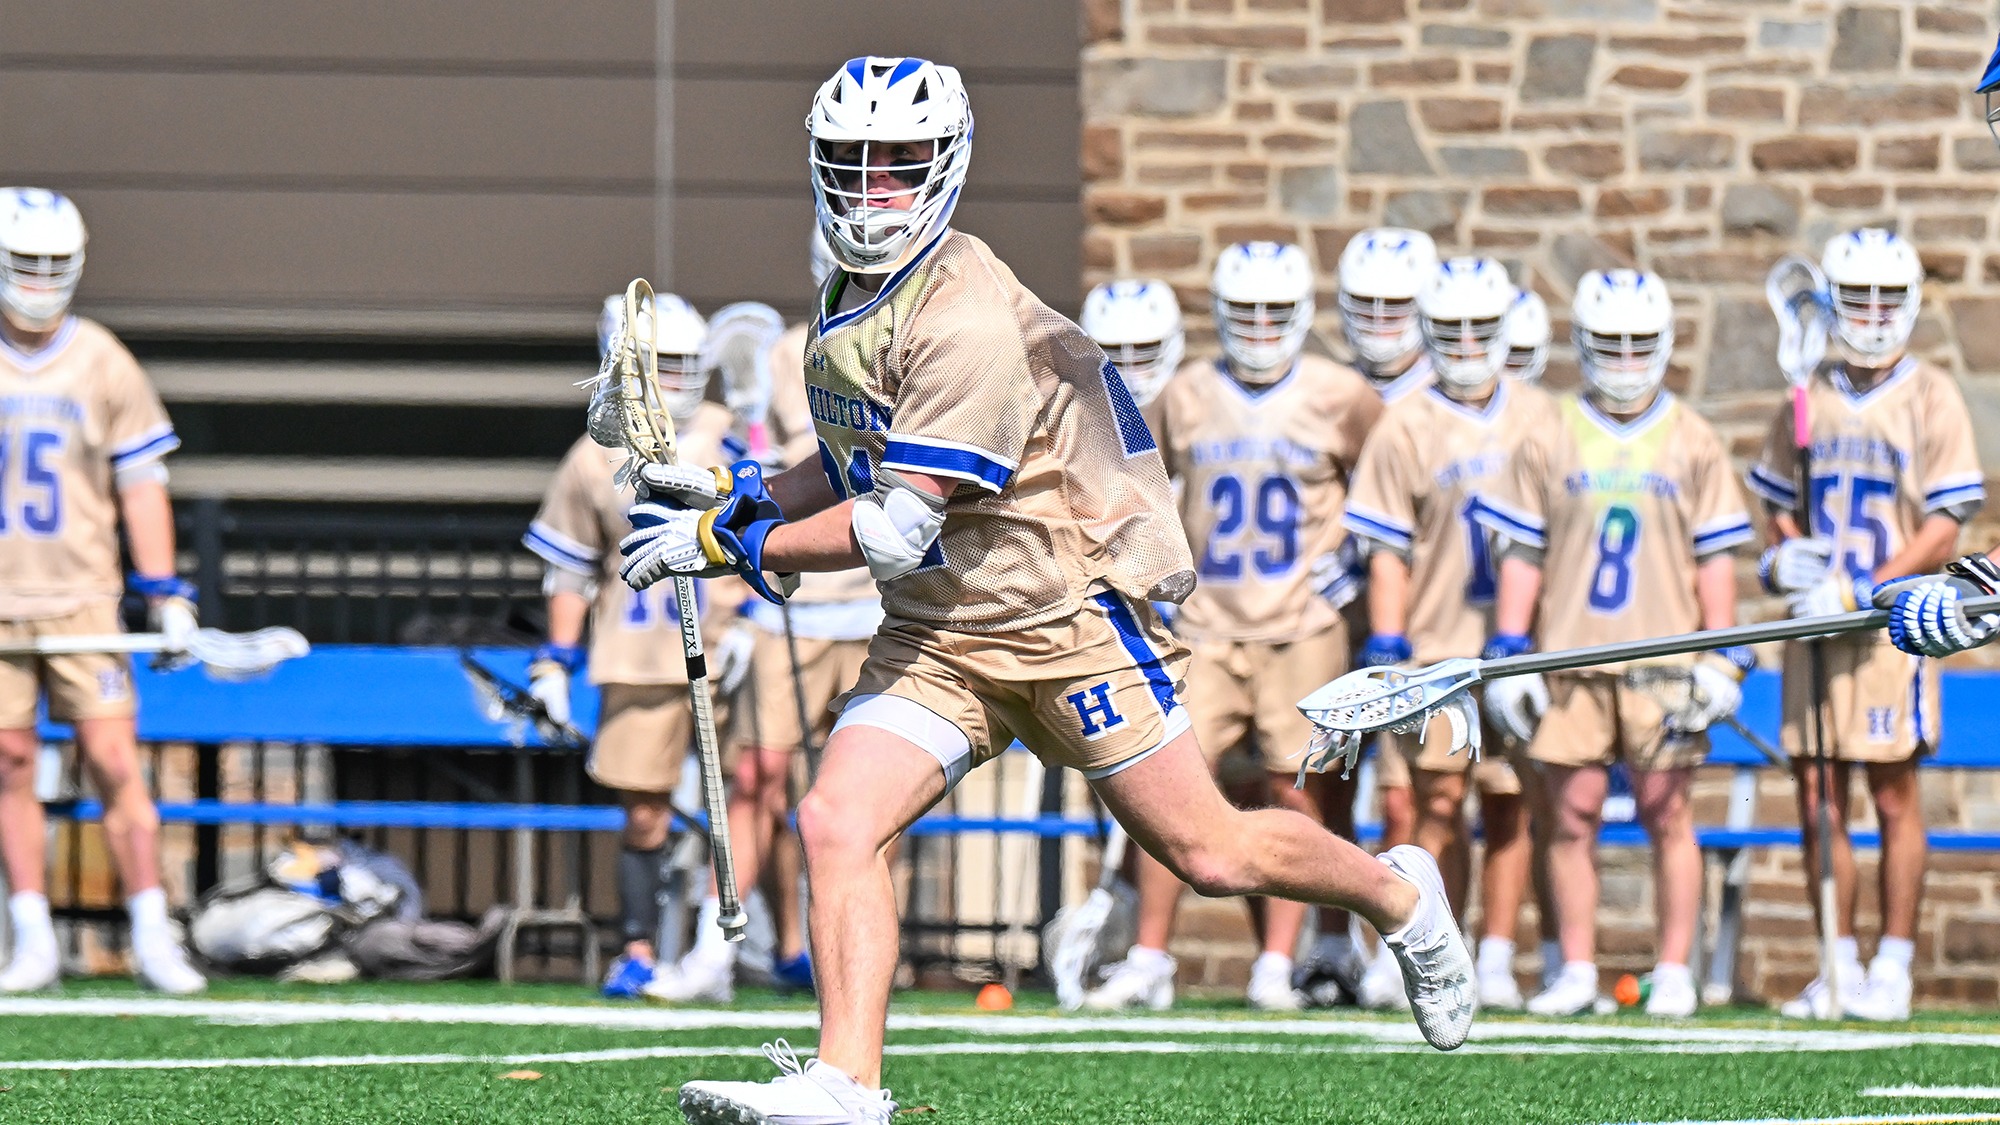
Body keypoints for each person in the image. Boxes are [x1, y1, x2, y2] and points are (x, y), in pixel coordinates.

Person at [617, 57, 1474, 1124]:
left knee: (1209, 853)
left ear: (945, 167)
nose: (872, 189)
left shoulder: (966, 315)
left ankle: (1398, 892)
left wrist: (726, 544)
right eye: (851, 163)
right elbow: (853, 463)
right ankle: (846, 1084)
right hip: (942, 637)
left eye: (898, 165)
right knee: (835, 820)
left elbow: (893, 526)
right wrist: (737, 491)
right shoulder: (849, 294)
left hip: (1063, 622)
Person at [1081, 242, 1378, 1013]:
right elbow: (1143, 483)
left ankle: (1277, 963)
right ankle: (1150, 956)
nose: (1260, 327)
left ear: (1301, 314)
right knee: (1163, 781)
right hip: (1206, 623)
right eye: (1244, 312)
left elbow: (1386, 484)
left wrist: (1354, 558)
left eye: (1275, 312)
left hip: (1302, 622)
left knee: (1296, 788)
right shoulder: (1187, 392)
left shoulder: (1341, 393)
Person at [1476, 268, 1755, 1019]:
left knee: (1669, 811)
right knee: (1570, 814)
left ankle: (1674, 968)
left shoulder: (1692, 438)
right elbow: (1524, 552)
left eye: (1639, 344)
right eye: (1610, 343)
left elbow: (1715, 562)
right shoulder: (1550, 432)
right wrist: (1511, 648)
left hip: (1664, 664)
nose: (1626, 360)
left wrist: (1721, 657)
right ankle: (1575, 967)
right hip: (1572, 657)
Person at [1746, 229, 1981, 1022]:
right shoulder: (1806, 392)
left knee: (1891, 791)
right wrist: (1788, 557)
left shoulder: (1931, 395)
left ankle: (1895, 965)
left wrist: (1867, 586)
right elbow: (1779, 502)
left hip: (1890, 627)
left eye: (1888, 299)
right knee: (1817, 789)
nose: (1873, 314)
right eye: (1859, 298)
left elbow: (1945, 525)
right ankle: (1836, 962)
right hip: (1817, 624)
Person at [0, 187, 205, 995]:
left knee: (116, 758)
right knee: (10, 761)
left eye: (55, 263)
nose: (40, 280)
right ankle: (32, 936)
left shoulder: (103, 359)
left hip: (83, 596)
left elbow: (141, 482)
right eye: (27, 262)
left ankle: (153, 930)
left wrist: (165, 590)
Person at [1343, 259, 1560, 1011]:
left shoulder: (1541, 417)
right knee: (1433, 803)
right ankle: (1425, 944)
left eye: (1480, 328)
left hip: (1523, 651)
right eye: (1451, 329)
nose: (1466, 343)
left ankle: (1496, 954)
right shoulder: (1407, 423)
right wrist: (1391, 642)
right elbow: (1388, 549)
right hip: (1438, 648)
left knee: (1512, 803)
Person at [523, 292, 753, 1000]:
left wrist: (751, 616)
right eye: (662, 364)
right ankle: (639, 947)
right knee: (645, 811)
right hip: (640, 652)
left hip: (727, 646)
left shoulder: (731, 435)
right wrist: (554, 661)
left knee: (747, 796)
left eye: (686, 363)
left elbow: (771, 525)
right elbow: (569, 567)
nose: (676, 379)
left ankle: (724, 950)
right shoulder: (594, 454)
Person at [1300, 227, 1438, 1010]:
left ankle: (1407, 940)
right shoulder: (1328, 388)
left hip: (1419, 613)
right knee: (1324, 775)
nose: (1381, 321)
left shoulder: (1445, 395)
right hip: (1331, 612)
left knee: (1409, 788)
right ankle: (1332, 939)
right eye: (1367, 304)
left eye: (1397, 305)